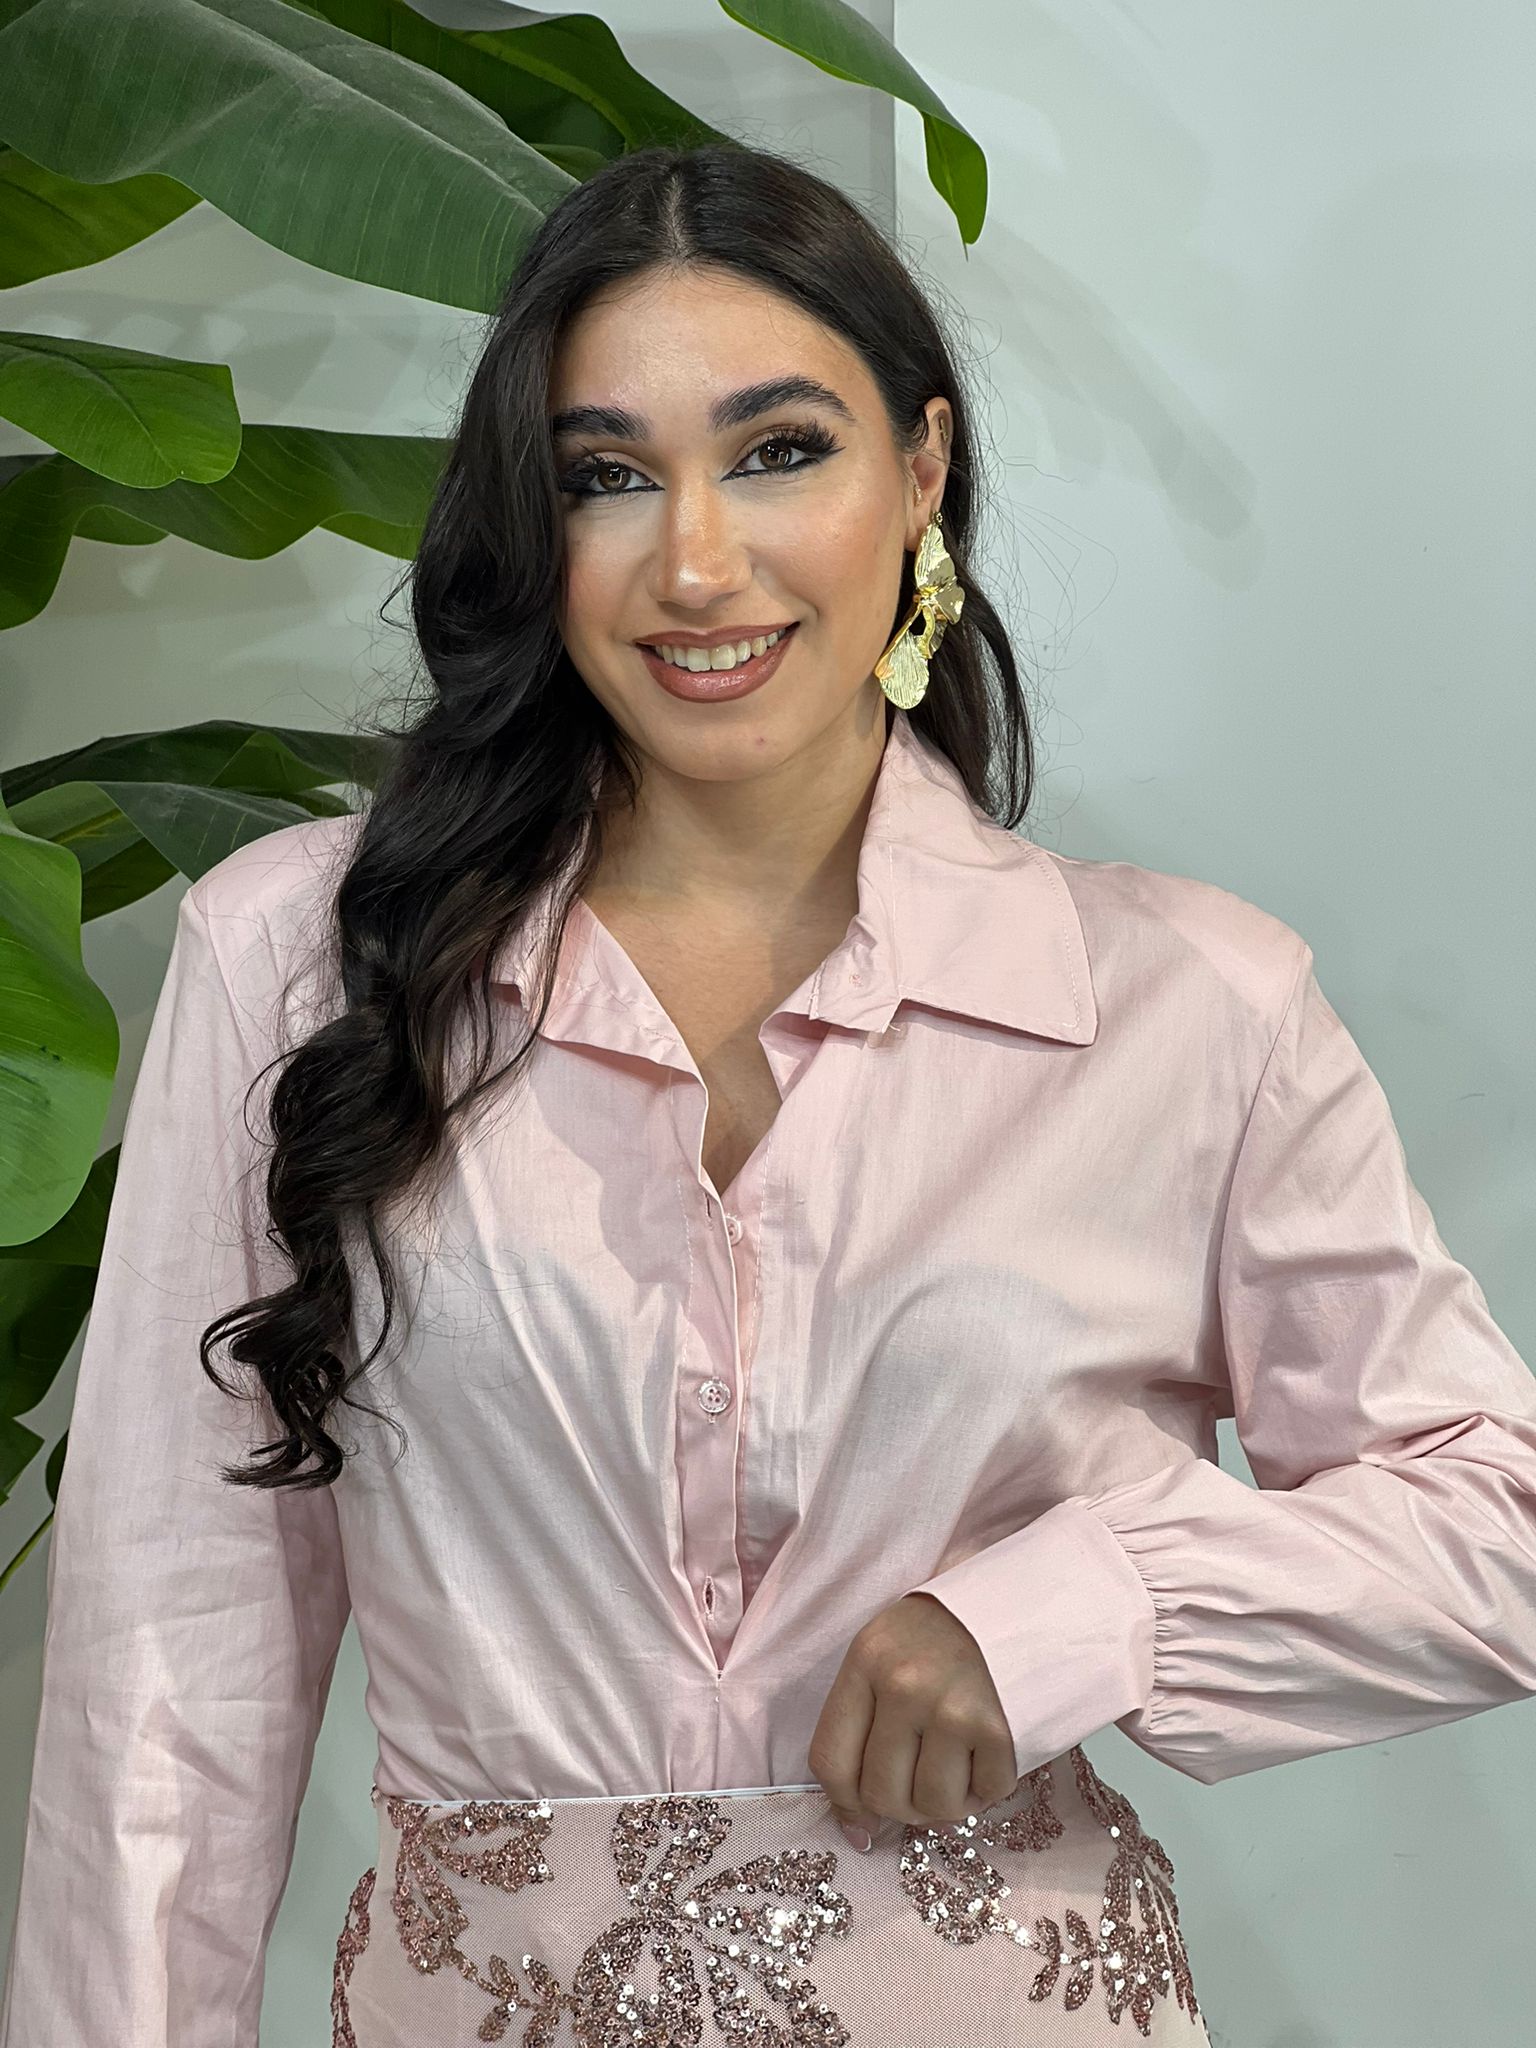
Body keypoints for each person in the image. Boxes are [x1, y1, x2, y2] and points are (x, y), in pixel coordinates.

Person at [4, 141, 1535, 2048]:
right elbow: (173, 1664)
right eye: (607, 477)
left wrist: (1072, 1612)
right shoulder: (305, 963)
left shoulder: (1191, 1007)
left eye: (779, 451)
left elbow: (1497, 1521)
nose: (696, 563)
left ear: (923, 468)